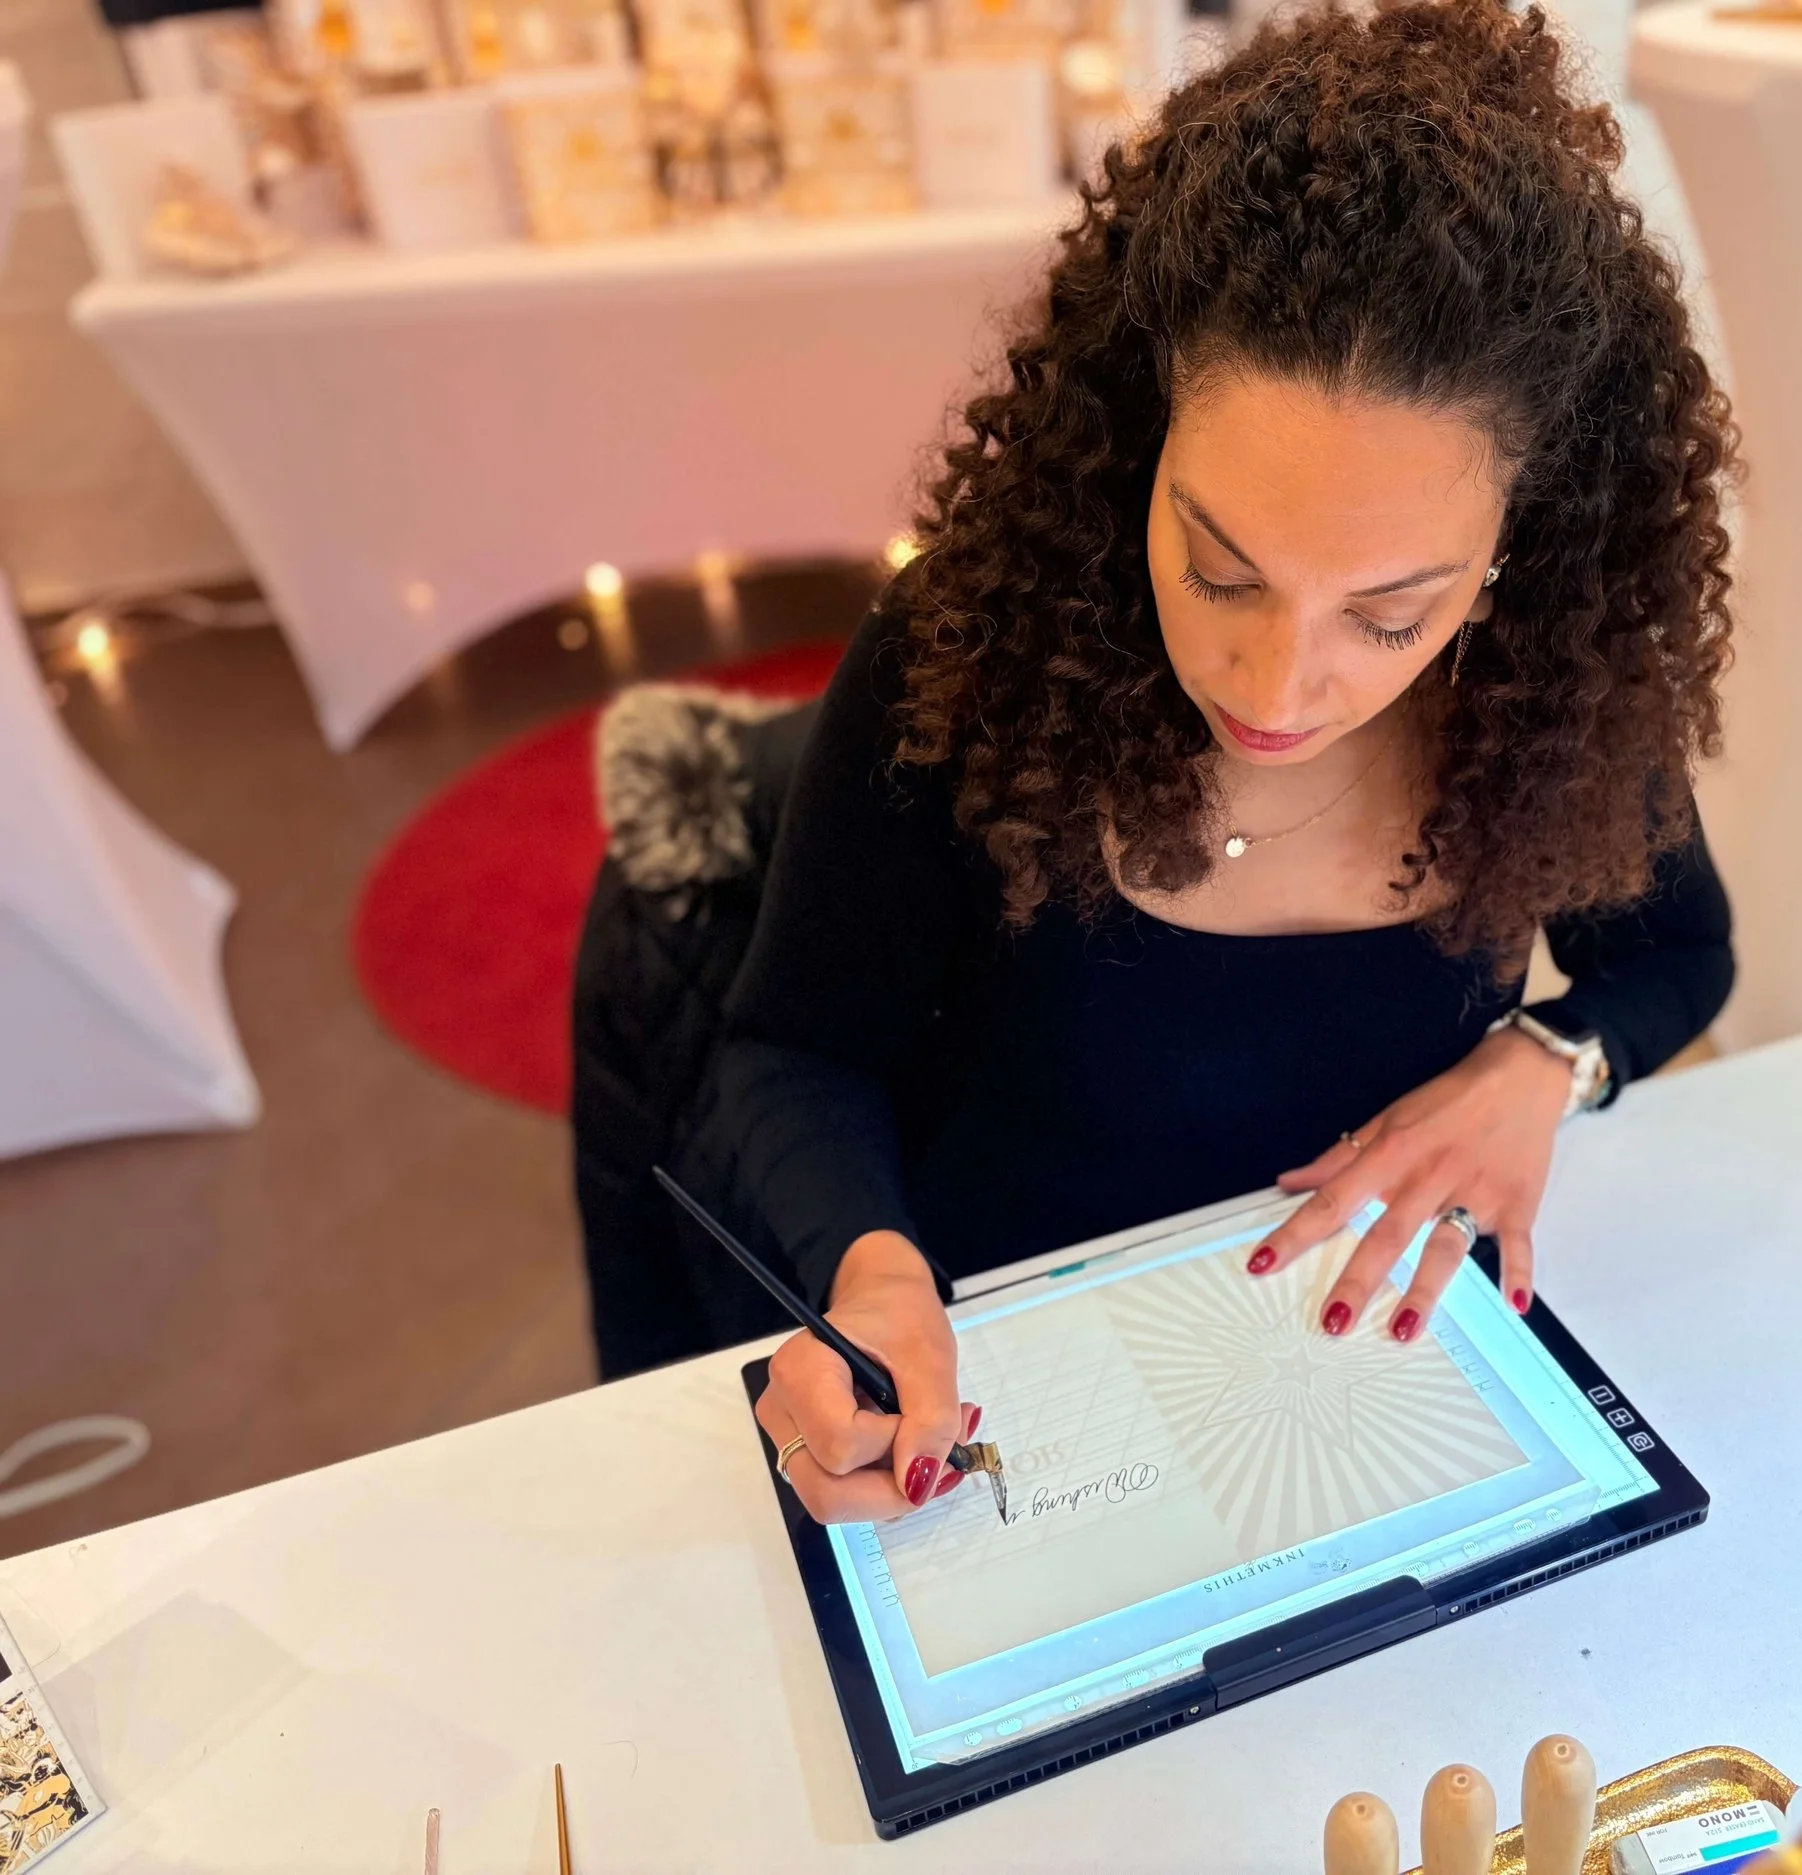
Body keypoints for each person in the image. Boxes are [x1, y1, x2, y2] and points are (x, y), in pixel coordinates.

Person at [697, 0, 1737, 1525]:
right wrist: (874, 1270)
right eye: (1220, 567)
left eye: (1390, 614)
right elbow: (794, 1051)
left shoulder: (1551, 696)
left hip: (1360, 1403)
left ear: (1519, 551)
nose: (1274, 685)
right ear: (1143, 448)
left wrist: (1548, 1063)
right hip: (1017, 1395)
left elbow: (1680, 953)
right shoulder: (977, 651)